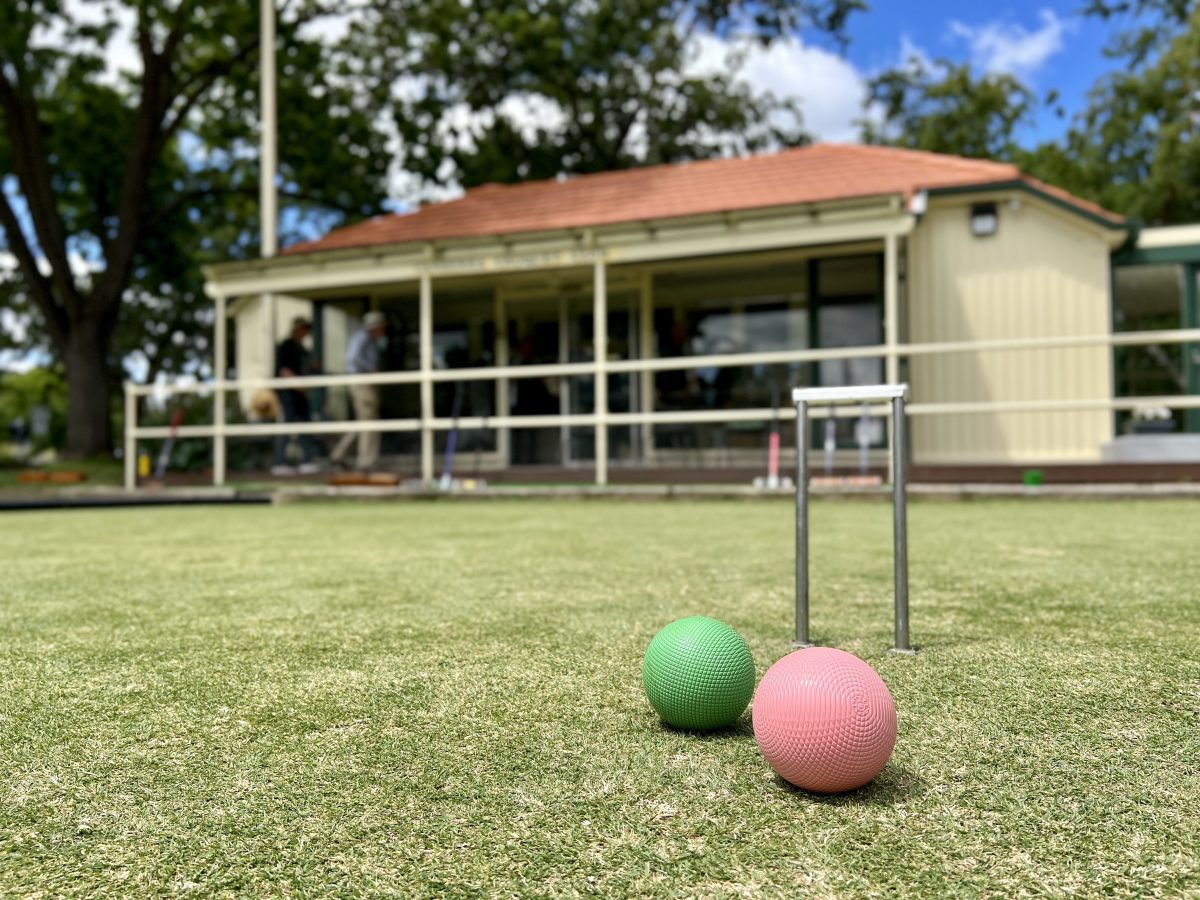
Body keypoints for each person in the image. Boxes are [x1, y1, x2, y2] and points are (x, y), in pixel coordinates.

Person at [331, 310, 387, 471]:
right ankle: (365, 462)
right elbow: (352, 358)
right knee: (369, 421)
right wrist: (370, 369)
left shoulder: (370, 340)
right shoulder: (362, 338)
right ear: (375, 327)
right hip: (362, 383)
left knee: (365, 420)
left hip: (365, 383)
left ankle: (339, 454)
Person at [272, 316, 321, 475]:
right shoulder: (286, 345)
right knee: (287, 424)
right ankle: (279, 462)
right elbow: (282, 369)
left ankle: (307, 461)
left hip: (301, 393)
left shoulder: (303, 348)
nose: (306, 331)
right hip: (288, 392)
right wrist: (297, 383)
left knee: (306, 424)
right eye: (304, 328)